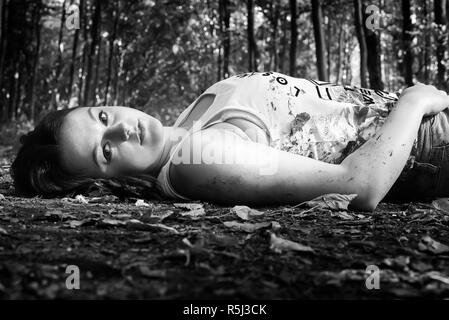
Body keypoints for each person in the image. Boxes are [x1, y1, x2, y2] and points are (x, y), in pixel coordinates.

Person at [11, 71, 449, 211]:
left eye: (103, 115)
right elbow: (357, 185)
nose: (123, 128)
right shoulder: (198, 160)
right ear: (105, 181)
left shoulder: (193, 115)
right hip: (426, 144)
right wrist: (411, 103)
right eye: (105, 150)